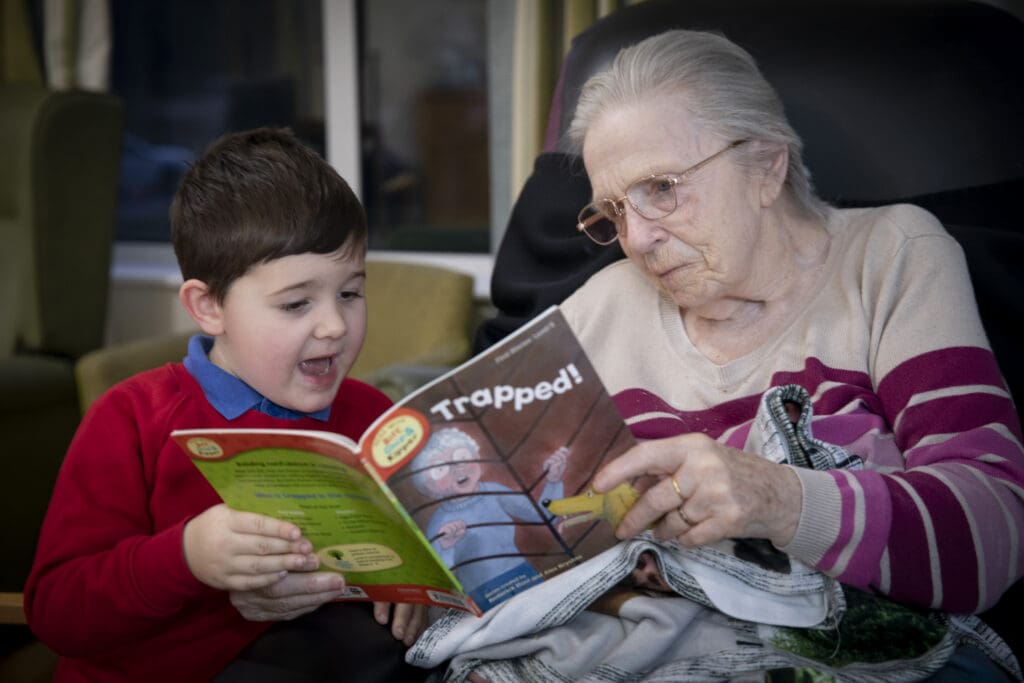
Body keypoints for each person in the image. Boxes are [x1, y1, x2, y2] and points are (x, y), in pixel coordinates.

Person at [553, 29, 1024, 679]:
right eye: (613, 208)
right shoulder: (596, 310)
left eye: (662, 187)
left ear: (766, 168)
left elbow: (993, 532)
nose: (635, 239)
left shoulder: (894, 255)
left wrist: (780, 499)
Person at [23, 128, 430, 682]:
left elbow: (416, 546)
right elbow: (56, 613)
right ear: (208, 307)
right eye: (295, 303)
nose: (335, 325)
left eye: (350, 293)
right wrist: (186, 557)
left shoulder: (372, 415)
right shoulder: (132, 419)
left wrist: (420, 588)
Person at [409, 428, 568, 610]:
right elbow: (441, 577)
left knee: (550, 612)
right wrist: (446, 546)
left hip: (524, 576)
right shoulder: (439, 523)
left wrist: (553, 481)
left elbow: (543, 516)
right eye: (440, 469)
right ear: (428, 489)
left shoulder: (495, 491)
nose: (457, 470)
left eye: (461, 458)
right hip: (484, 595)